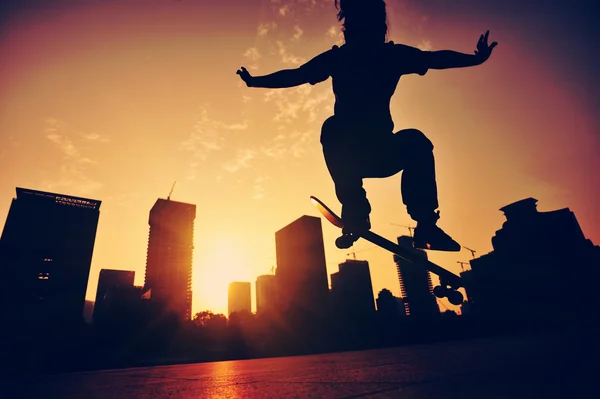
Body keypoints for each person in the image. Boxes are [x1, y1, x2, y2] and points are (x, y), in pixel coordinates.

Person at [236, 0, 497, 251]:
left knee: (415, 140)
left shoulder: (385, 56)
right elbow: (297, 75)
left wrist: (475, 59)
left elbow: (435, 59)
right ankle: (356, 211)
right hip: (353, 156)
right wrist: (256, 81)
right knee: (333, 128)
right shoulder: (353, 58)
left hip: (382, 151)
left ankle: (426, 225)